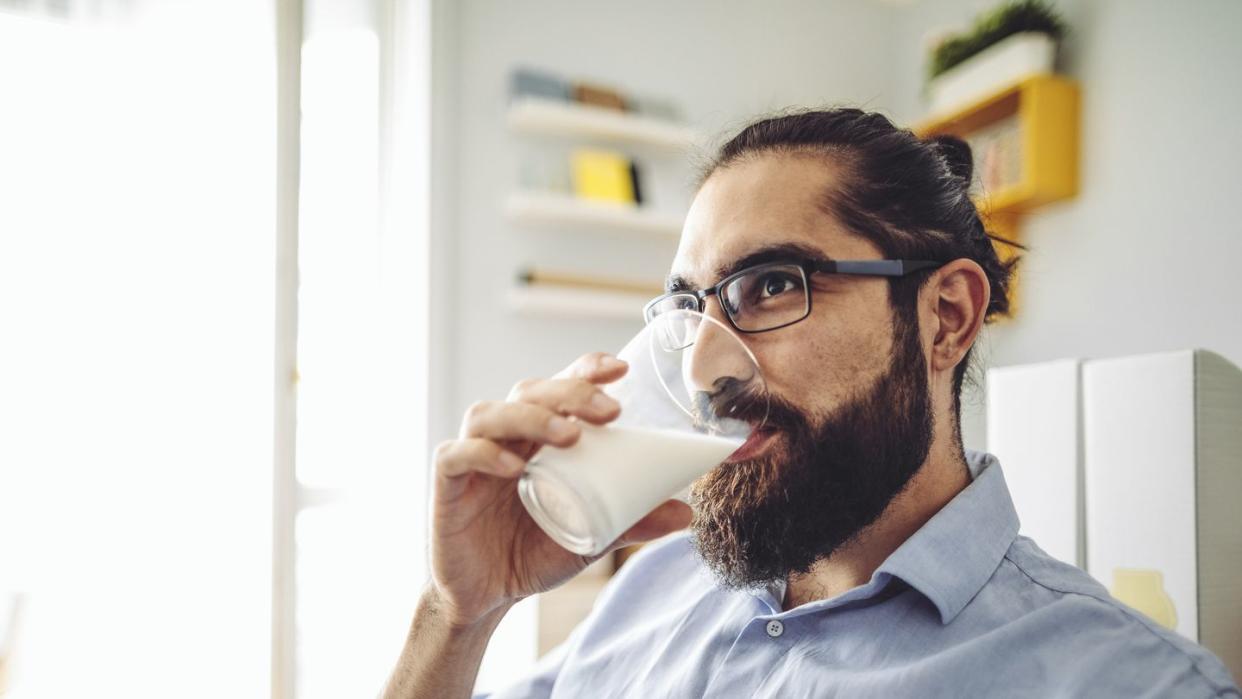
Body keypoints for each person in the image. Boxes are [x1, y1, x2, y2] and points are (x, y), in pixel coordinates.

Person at [382, 109, 1240, 698]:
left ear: (946, 316)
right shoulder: (652, 589)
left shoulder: (1128, 680)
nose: (704, 371)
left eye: (768, 286)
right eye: (692, 310)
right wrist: (458, 613)